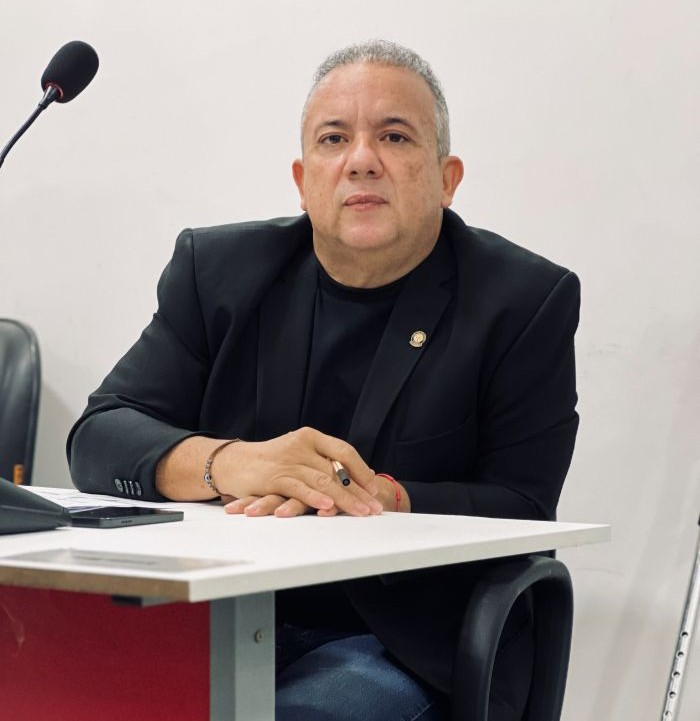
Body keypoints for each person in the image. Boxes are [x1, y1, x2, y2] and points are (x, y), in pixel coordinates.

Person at [67, 40, 580, 721]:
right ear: (303, 178)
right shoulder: (216, 271)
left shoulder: (521, 300)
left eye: (394, 136)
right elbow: (99, 437)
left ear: (447, 178)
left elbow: (524, 504)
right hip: (221, 614)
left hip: (400, 640)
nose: (361, 159)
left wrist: (388, 497)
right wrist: (230, 463)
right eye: (334, 139)